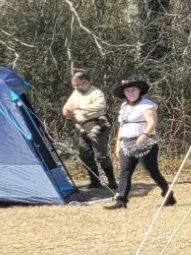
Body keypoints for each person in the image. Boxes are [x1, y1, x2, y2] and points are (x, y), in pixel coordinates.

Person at [107, 76, 174, 209]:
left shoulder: (147, 105)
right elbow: (122, 126)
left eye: (133, 90)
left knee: (152, 172)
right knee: (125, 172)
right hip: (126, 143)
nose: (130, 93)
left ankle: (168, 194)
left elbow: (152, 122)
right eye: (127, 91)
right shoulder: (124, 106)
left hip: (145, 144)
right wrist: (117, 143)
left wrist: (145, 135)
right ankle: (121, 201)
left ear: (139, 91)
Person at [60, 70, 116, 191]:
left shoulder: (96, 92)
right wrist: (66, 110)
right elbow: (68, 105)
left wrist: (79, 107)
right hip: (83, 128)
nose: (76, 87)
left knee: (101, 155)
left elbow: (100, 106)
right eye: (74, 85)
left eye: (78, 84)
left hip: (98, 126)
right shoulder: (76, 92)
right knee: (85, 155)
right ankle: (95, 182)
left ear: (86, 82)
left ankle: (112, 181)